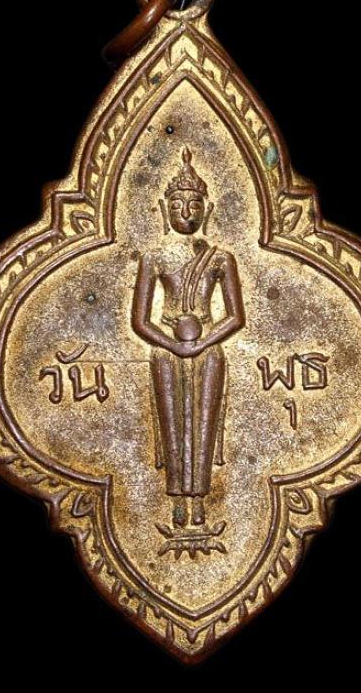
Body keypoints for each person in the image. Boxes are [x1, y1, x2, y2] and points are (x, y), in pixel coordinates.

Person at [132, 147, 245, 531]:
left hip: (208, 348)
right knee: (172, 424)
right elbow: (140, 321)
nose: (185, 211)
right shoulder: (153, 257)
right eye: (178, 204)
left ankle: (200, 503)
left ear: (206, 209)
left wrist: (202, 342)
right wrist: (172, 344)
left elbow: (236, 316)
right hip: (166, 350)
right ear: (165, 209)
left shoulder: (220, 258)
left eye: (194, 204)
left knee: (203, 425)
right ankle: (177, 502)